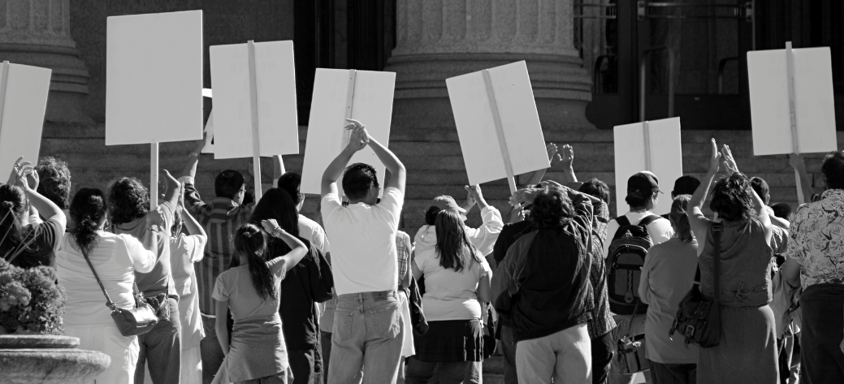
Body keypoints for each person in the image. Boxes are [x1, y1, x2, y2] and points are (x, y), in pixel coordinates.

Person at [320, 119, 406, 383]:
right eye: (378, 187)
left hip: (345, 310)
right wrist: (369, 141)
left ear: (346, 191)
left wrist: (351, 149)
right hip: (383, 307)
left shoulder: (334, 216)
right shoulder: (386, 214)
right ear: (371, 188)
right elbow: (398, 168)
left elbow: (327, 178)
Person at [687, 140, 778, 383]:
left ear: (717, 204)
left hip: (717, 321)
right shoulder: (761, 229)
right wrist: (736, 174)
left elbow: (693, 206)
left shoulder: (707, 232)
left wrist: (711, 171)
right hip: (757, 319)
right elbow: (761, 206)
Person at [493, 185, 598, 384]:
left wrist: (515, 316)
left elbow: (499, 293)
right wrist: (542, 194)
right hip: (573, 327)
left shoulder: (519, 242)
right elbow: (585, 202)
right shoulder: (580, 232)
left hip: (531, 331)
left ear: (533, 211)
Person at [57, 188, 157, 383]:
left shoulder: (61, 243)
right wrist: (153, 228)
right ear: (105, 215)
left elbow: (38, 223)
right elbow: (149, 263)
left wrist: (28, 192)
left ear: (73, 215)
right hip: (114, 331)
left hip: (71, 332)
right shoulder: (123, 243)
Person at [181, 142, 255, 383]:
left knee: (211, 375)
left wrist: (195, 152)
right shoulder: (245, 218)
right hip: (240, 311)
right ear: (240, 193)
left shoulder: (198, 214)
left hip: (207, 310)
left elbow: (185, 184)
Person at [250, 188, 334, 384]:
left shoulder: (249, 253)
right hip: (298, 336)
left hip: (258, 337)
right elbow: (325, 291)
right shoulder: (306, 250)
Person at [108, 170, 182, 384]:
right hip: (163, 309)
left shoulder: (112, 231)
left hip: (129, 312)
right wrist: (163, 175)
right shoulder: (159, 218)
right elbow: (175, 188)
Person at [213, 221, 308, 384]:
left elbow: (220, 326)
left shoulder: (225, 279)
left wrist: (228, 355)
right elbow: (302, 248)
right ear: (262, 248)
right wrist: (277, 231)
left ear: (236, 247)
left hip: (242, 356)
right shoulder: (274, 269)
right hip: (274, 354)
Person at [406, 209, 492, 384]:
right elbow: (485, 296)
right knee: (452, 380)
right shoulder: (478, 257)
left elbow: (407, 283)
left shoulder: (426, 256)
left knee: (416, 376)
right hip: (466, 322)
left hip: (431, 321)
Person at [781, 150, 844, 383]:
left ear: (825, 180)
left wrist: (800, 168)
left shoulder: (806, 214)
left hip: (819, 309)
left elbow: (790, 272)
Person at [605, 172, 673, 384]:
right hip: (649, 315)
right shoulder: (662, 226)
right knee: (655, 376)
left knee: (618, 377)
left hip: (616, 314)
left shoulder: (612, 226)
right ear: (653, 196)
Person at [638, 195, 699, 384]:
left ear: (671, 221)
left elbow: (644, 297)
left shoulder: (656, 253)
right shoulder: (707, 252)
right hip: (701, 339)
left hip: (662, 342)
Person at [578, 179, 617, 384]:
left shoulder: (564, 240)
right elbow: (601, 207)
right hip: (600, 330)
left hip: (572, 332)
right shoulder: (597, 239)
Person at [169, 189, 208, 384]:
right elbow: (201, 235)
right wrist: (183, 210)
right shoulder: (183, 245)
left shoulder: (147, 245)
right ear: (178, 226)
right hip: (187, 329)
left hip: (157, 331)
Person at [1, 157, 67, 268]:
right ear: (26, 204)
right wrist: (27, 190)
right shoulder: (44, 235)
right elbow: (57, 214)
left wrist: (10, 188)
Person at [417, 186, 503, 259]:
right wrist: (479, 199)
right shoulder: (461, 236)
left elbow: (448, 219)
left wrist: (468, 204)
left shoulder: (421, 235)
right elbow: (495, 230)